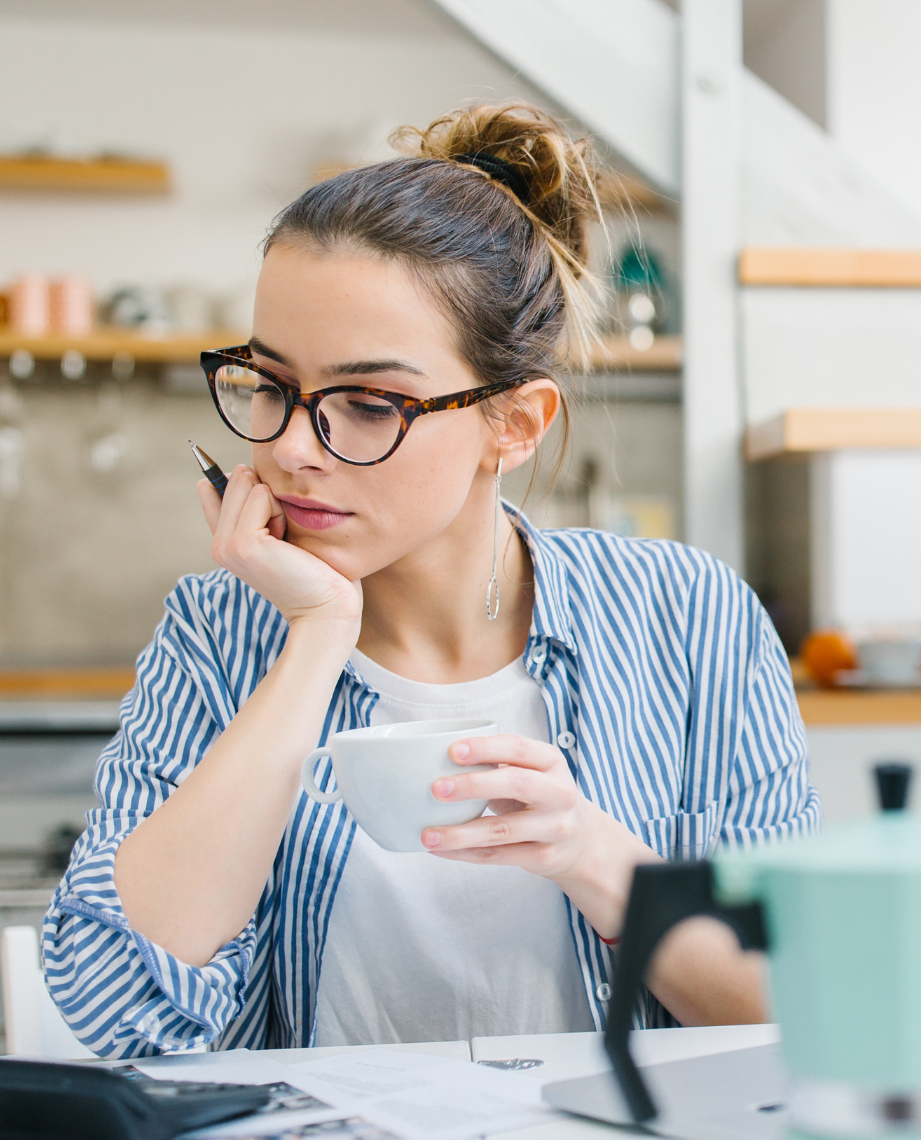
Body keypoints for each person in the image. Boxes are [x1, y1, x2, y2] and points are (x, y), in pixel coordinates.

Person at [44, 104, 817, 1057]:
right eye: (271, 385)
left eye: (369, 405)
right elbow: (116, 1010)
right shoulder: (220, 629)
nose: (291, 450)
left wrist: (591, 855)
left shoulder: (687, 616)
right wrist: (317, 636)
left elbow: (793, 1009)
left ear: (516, 424)